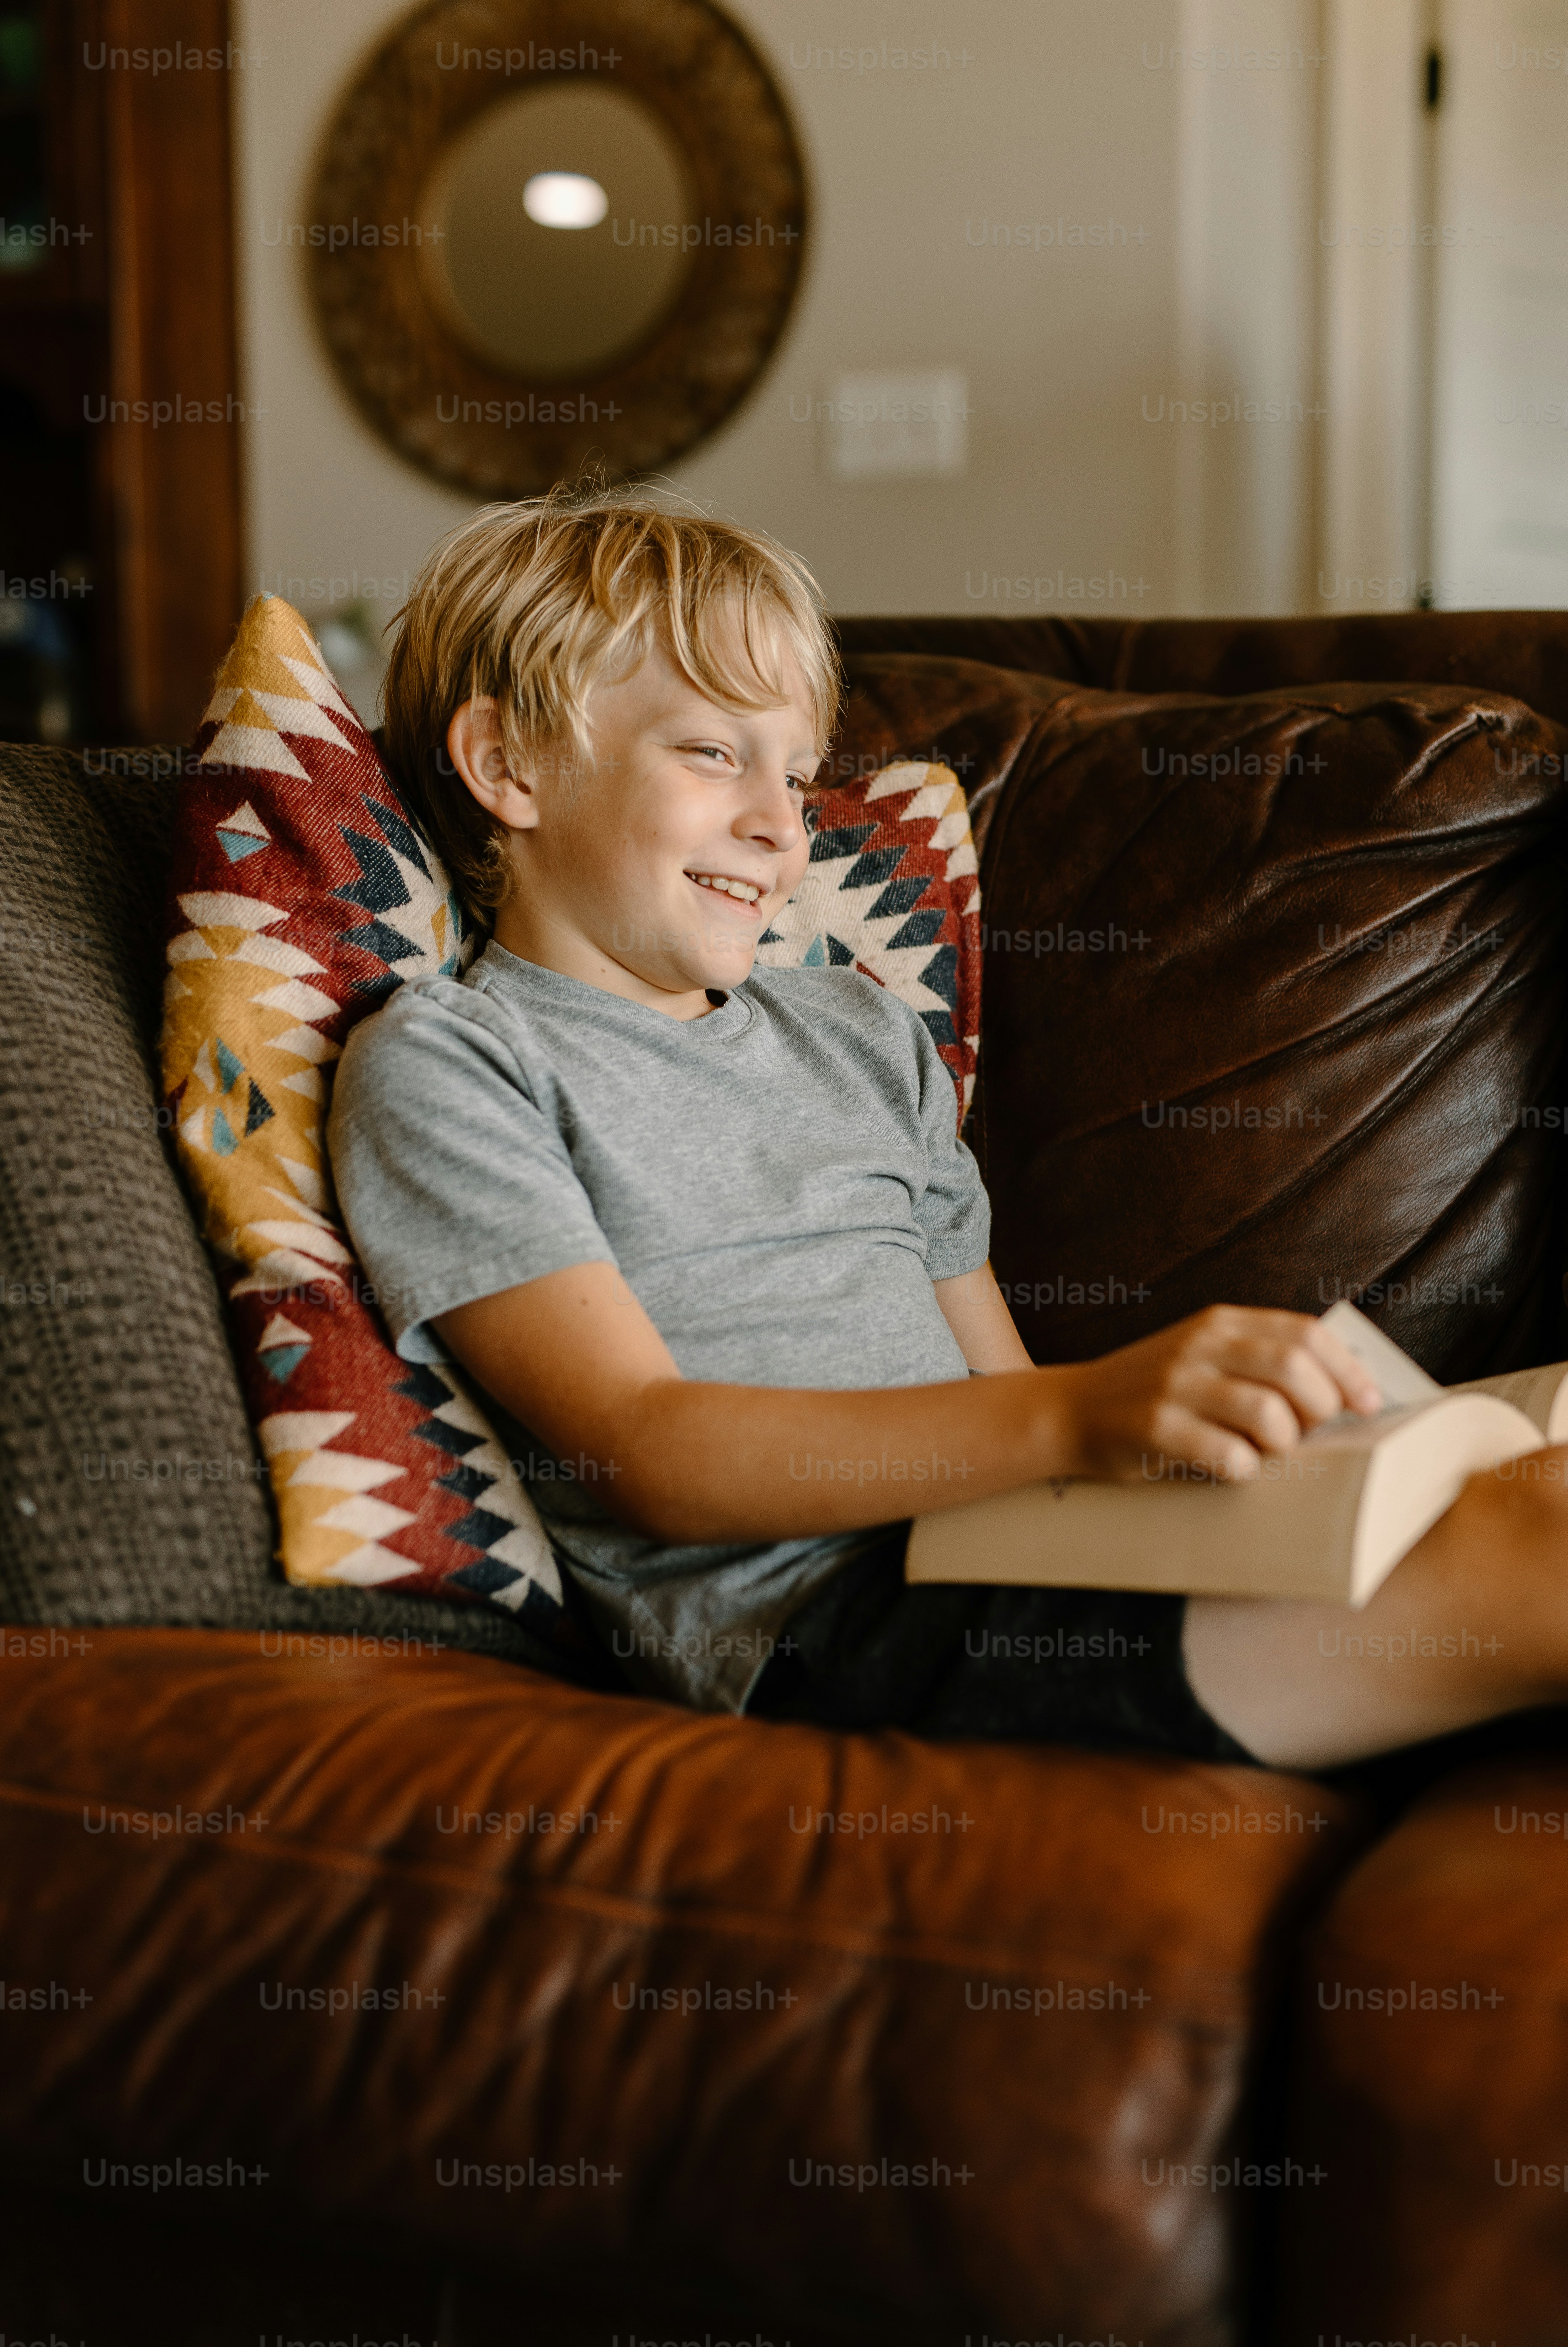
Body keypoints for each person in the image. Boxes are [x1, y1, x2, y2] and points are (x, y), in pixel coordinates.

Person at [329, 485, 1568, 1778]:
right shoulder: (454, 1062)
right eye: (710, 754)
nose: (781, 824)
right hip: (825, 1628)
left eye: (796, 772)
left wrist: (1171, 1455)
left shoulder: (856, 1033)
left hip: (1018, 1538)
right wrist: (1092, 1416)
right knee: (1535, 1550)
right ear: (506, 765)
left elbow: (996, 1390)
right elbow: (644, 1449)